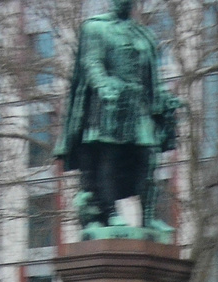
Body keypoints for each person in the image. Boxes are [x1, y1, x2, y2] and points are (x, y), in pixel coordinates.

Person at [55, 0, 180, 238]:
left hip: (138, 104)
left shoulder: (143, 34)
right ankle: (109, 211)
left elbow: (151, 77)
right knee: (109, 157)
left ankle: (149, 217)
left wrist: (164, 99)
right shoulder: (95, 27)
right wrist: (104, 85)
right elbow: (91, 62)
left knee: (147, 159)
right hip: (109, 105)